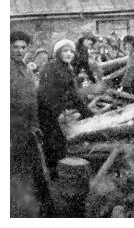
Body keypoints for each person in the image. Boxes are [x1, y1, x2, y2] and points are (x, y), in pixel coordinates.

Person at [10, 31, 55, 217]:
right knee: (17, 167)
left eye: (23, 47)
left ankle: (35, 204)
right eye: (15, 47)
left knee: (30, 165)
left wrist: (35, 124)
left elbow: (32, 99)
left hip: (29, 126)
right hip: (13, 126)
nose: (19, 50)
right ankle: (20, 209)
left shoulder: (26, 69)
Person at [38, 39, 94, 179]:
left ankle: (56, 173)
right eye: (65, 50)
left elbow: (74, 96)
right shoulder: (51, 68)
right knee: (53, 143)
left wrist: (89, 114)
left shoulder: (67, 68)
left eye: (71, 51)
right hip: (46, 110)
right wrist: (56, 112)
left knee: (59, 143)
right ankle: (52, 176)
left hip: (53, 110)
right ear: (58, 53)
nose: (69, 54)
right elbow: (46, 94)